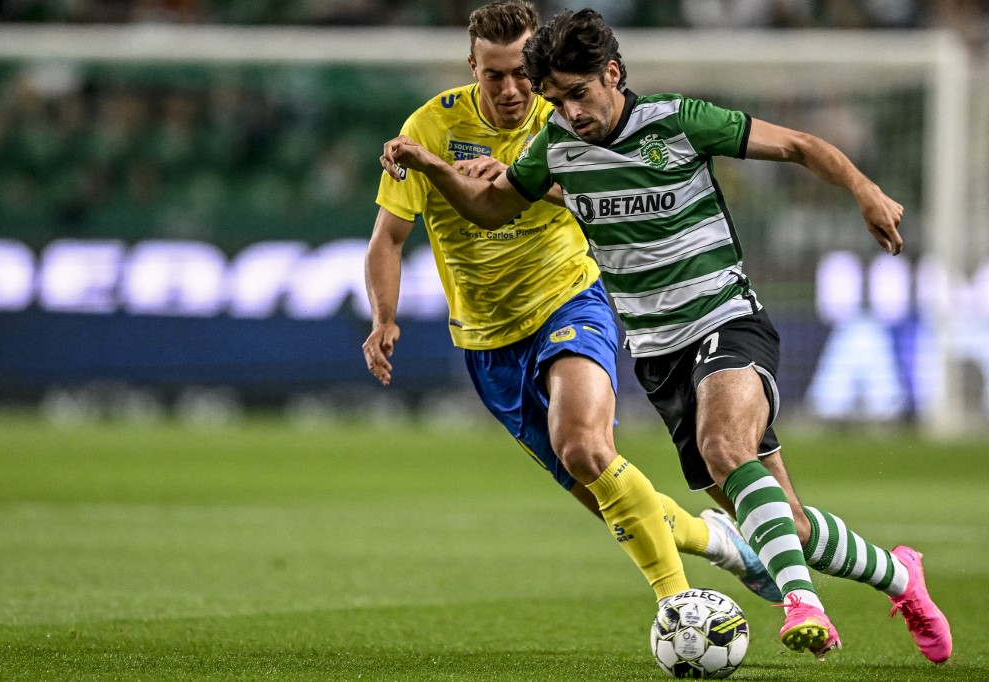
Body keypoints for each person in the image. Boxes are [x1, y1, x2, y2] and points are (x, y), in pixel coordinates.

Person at [378, 7, 952, 664]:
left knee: (723, 444)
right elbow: (489, 206)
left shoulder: (678, 120)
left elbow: (798, 145)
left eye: (579, 93)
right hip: (657, 354)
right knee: (783, 524)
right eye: (556, 100)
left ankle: (802, 604)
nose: (570, 112)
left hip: (725, 318)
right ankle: (902, 577)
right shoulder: (555, 147)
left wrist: (864, 190)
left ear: (612, 73)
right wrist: (434, 166)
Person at [362, 0, 780, 612]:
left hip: (570, 300)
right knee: (601, 488)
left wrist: (523, 180)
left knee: (584, 446)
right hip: (486, 339)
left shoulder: (565, 113)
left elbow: (623, 182)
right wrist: (383, 317)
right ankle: (721, 543)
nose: (512, 90)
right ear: (473, 67)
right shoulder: (429, 128)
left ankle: (678, 607)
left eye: (521, 74)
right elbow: (388, 238)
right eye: (494, 75)